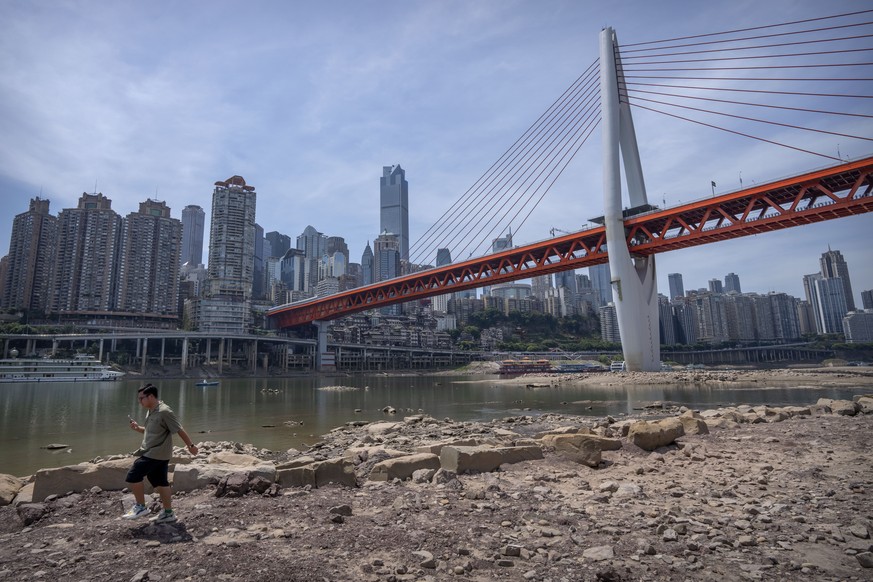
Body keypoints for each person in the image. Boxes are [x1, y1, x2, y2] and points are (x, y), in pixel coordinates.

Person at [122, 383, 198, 523]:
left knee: (134, 474)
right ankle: (168, 513)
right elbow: (152, 431)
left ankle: (141, 507)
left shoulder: (164, 411)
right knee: (160, 482)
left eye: (141, 398)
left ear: (150, 396)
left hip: (156, 453)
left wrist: (191, 445)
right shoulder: (151, 410)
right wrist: (138, 428)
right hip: (155, 452)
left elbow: (179, 429)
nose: (139, 401)